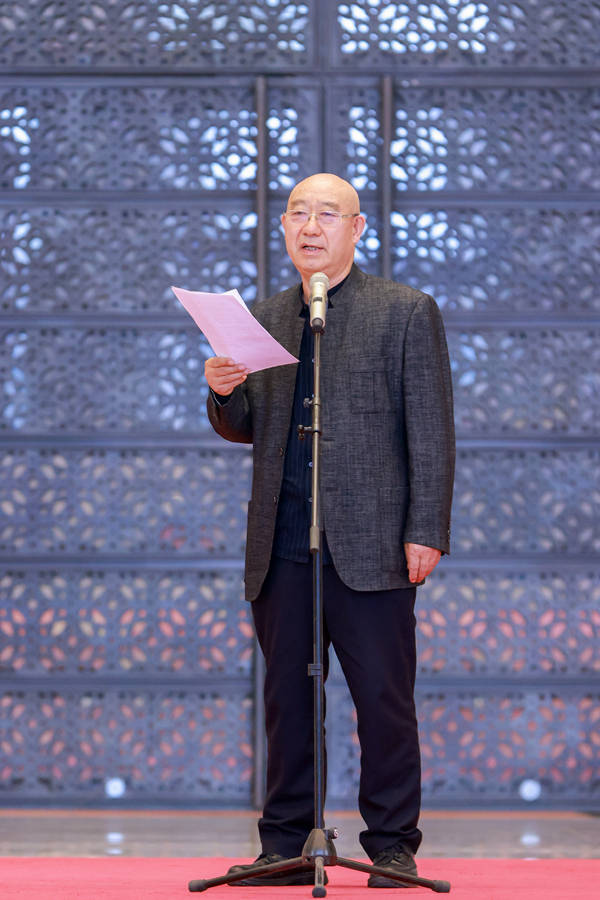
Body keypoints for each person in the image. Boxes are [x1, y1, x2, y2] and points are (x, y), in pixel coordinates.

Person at [205, 173, 455, 887]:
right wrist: (222, 393)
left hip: (374, 542)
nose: (310, 226)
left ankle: (393, 845)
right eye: (298, 214)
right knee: (287, 703)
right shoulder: (262, 317)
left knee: (383, 700)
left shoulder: (404, 311)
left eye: (327, 214)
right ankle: (284, 844)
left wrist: (426, 528)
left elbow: (431, 430)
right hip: (284, 542)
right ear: (284, 228)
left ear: (356, 229)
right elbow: (246, 427)